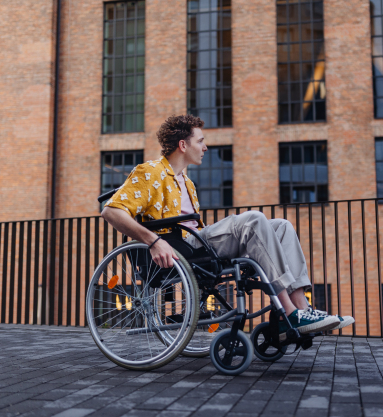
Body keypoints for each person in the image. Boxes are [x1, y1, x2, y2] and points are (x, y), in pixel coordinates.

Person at [101, 114, 354, 337]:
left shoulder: (187, 183)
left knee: (283, 226)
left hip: (197, 240)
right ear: (183, 145)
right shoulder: (150, 172)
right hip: (182, 244)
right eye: (200, 141)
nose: (205, 147)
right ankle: (290, 313)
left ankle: (303, 309)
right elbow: (111, 211)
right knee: (254, 219)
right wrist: (154, 242)